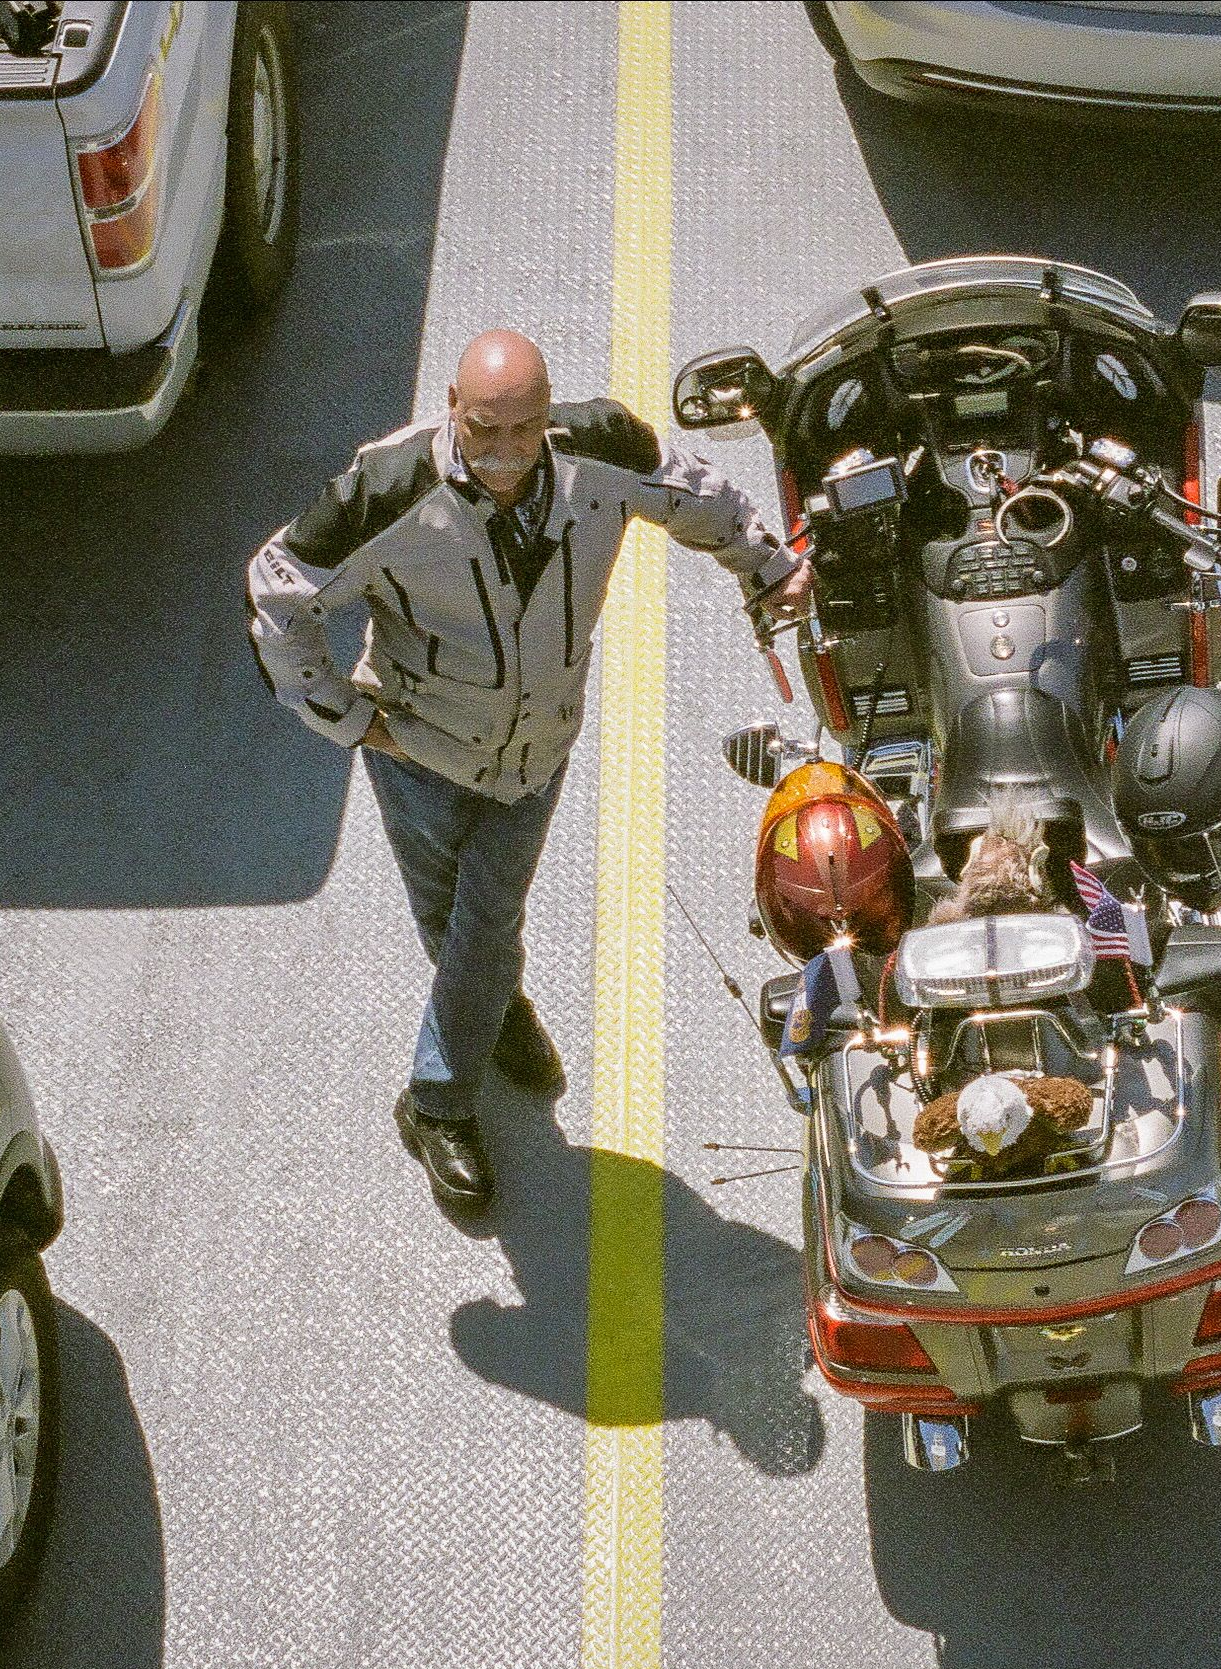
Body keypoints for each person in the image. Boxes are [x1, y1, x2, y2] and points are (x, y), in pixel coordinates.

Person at [247, 329, 810, 1211]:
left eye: (526, 430)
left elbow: (697, 497)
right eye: (484, 431)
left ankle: (435, 1103)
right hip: (419, 756)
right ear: (450, 408)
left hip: (534, 754)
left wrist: (769, 568)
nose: (508, 456)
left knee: (485, 917)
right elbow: (276, 594)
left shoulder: (605, 452)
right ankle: (497, 1014)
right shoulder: (384, 492)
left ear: (550, 417)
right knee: (450, 919)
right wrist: (351, 721)